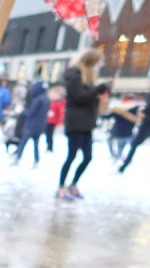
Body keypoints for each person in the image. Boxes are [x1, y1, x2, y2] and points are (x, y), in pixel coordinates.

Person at [57, 49, 109, 200]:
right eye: (98, 62)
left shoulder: (89, 77)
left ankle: (73, 184)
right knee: (72, 156)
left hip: (87, 122)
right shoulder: (74, 76)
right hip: (76, 122)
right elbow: (79, 98)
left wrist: (100, 95)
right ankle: (61, 187)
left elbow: (88, 98)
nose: (100, 65)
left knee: (88, 157)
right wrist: (98, 90)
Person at [13, 80, 50, 166]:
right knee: (36, 143)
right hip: (40, 125)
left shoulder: (38, 99)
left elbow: (31, 113)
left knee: (23, 142)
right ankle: (36, 160)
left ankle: (17, 158)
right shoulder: (46, 99)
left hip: (31, 125)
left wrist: (22, 111)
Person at [105, 97, 140, 161]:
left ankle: (116, 157)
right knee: (122, 147)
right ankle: (120, 158)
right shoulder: (135, 110)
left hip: (117, 132)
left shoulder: (118, 110)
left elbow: (106, 116)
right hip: (128, 133)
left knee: (117, 146)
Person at [44, 86, 65, 152]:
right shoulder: (50, 101)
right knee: (47, 134)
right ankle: (48, 146)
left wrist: (59, 122)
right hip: (48, 120)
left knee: (50, 134)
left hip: (53, 121)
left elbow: (61, 113)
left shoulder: (59, 103)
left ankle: (50, 147)